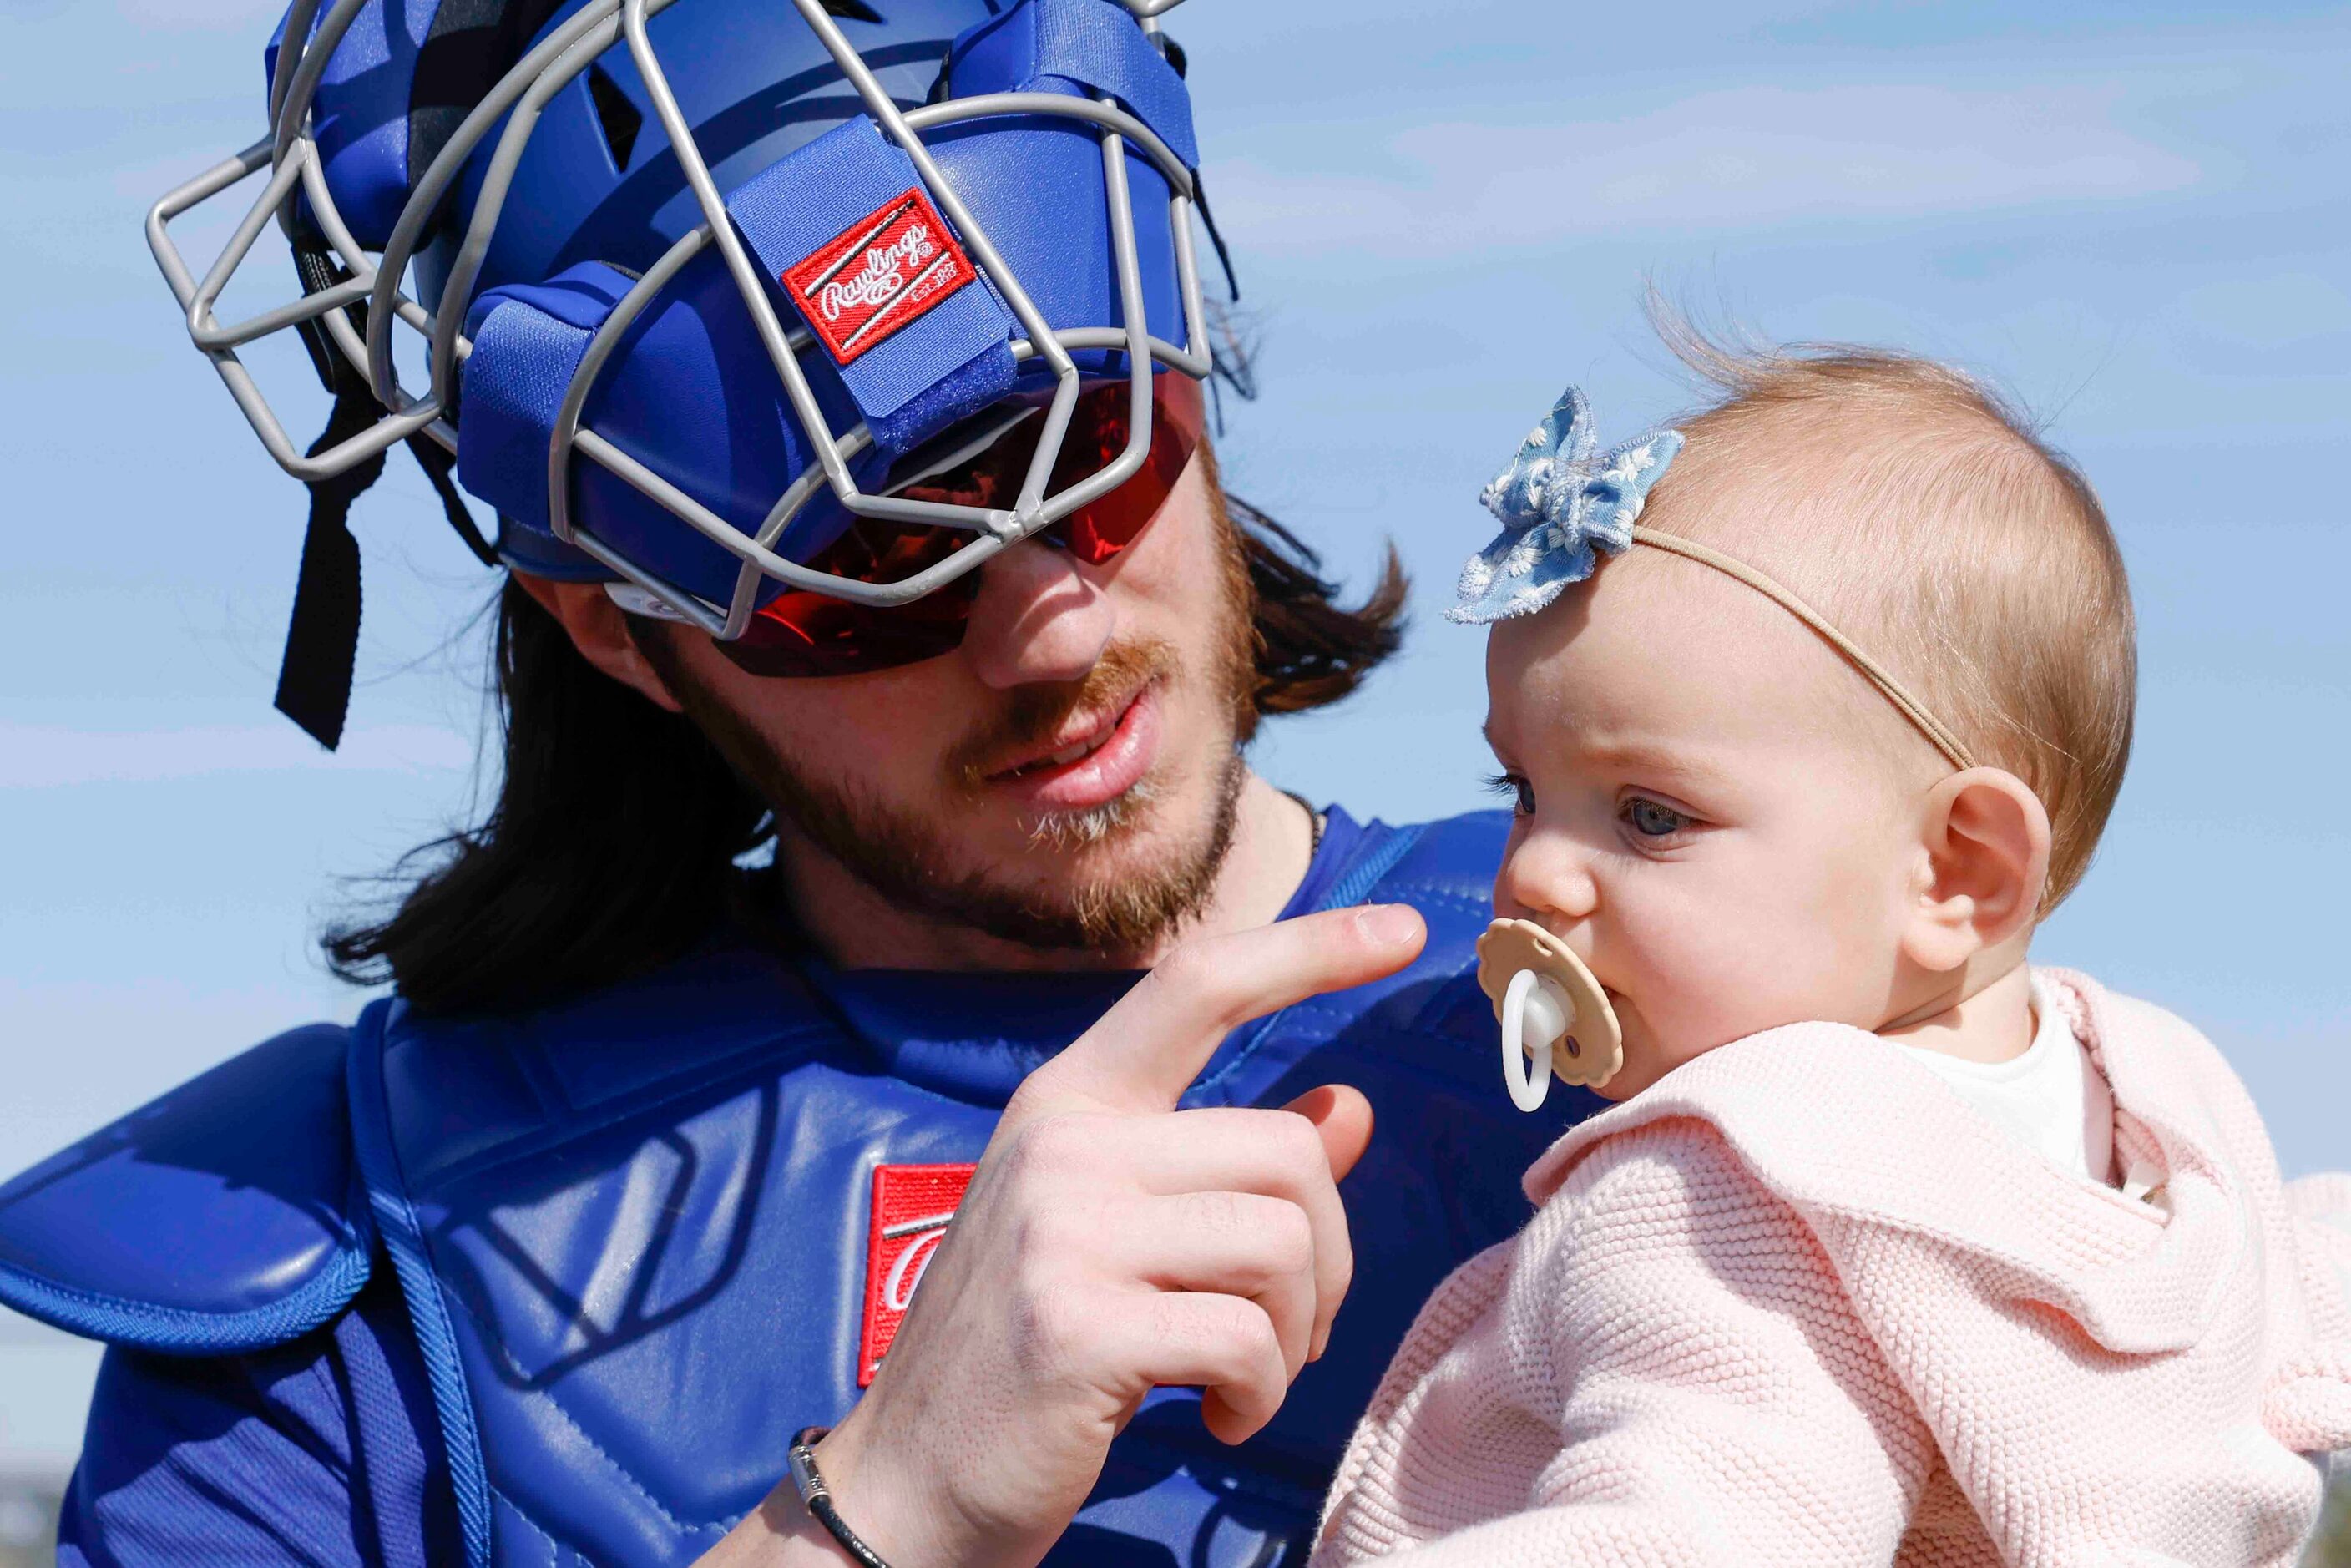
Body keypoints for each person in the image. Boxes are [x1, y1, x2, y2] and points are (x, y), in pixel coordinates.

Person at [0, 0, 1580, 1563]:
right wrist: (874, 1513)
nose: (1049, 625)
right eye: (873, 559)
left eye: (1091, 439)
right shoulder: (355, 1294)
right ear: (616, 629)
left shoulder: (1716, 982)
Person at [1307, 336, 2351, 1564]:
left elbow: (1692, 1530)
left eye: (1652, 813)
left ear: (1960, 869)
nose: (1531, 867)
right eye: (1524, 786)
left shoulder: (1731, 1194)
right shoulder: (2162, 1106)